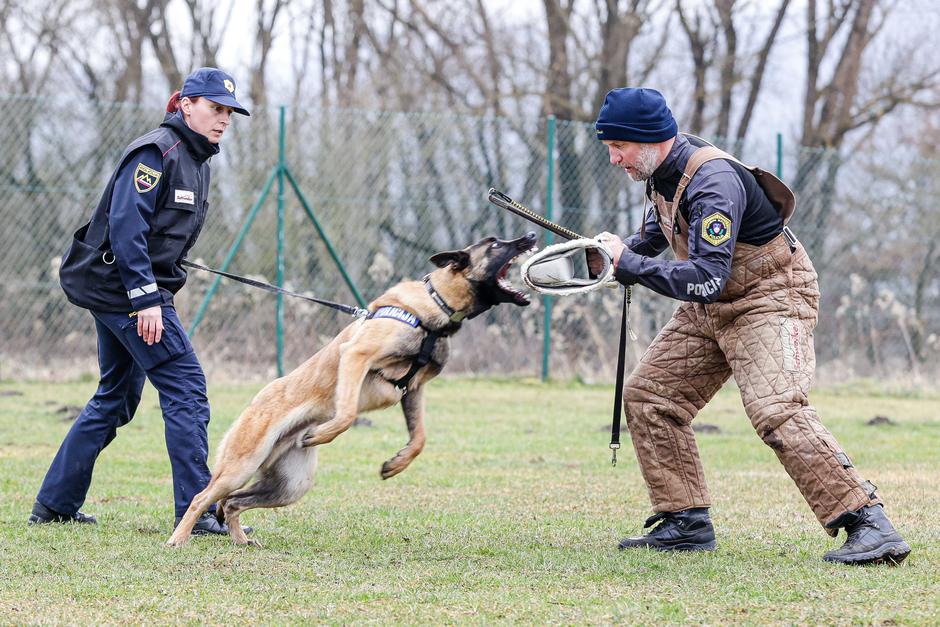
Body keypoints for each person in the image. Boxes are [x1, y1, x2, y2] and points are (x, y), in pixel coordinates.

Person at [587, 87, 910, 565]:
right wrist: (605, 255)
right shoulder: (661, 176)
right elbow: (657, 238)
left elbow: (707, 277)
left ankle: (869, 524)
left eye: (620, 147)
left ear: (651, 140)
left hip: (771, 296)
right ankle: (685, 522)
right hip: (713, 304)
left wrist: (630, 265)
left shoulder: (712, 182)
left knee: (776, 408)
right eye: (610, 148)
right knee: (651, 397)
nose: (614, 159)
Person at [28, 68, 250, 537]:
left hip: (128, 291)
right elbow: (127, 226)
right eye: (215, 108)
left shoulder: (197, 160)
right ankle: (198, 512)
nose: (223, 119)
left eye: (229, 111)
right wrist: (146, 298)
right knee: (186, 388)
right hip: (127, 293)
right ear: (185, 104)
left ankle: (55, 505)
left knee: (116, 398)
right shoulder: (157, 152)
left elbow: (159, 233)